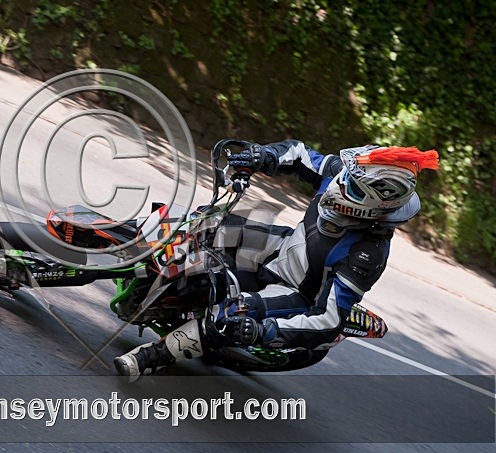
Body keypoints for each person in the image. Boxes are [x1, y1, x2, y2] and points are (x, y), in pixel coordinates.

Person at [114, 139, 440, 381]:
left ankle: (152, 356)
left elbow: (325, 320)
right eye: (345, 178)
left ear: (375, 203)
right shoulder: (342, 175)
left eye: (352, 187)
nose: (339, 185)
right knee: (203, 223)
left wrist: (263, 331)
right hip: (280, 248)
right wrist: (262, 156)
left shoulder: (367, 255)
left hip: (294, 295)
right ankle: (121, 244)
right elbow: (300, 155)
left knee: (228, 317)